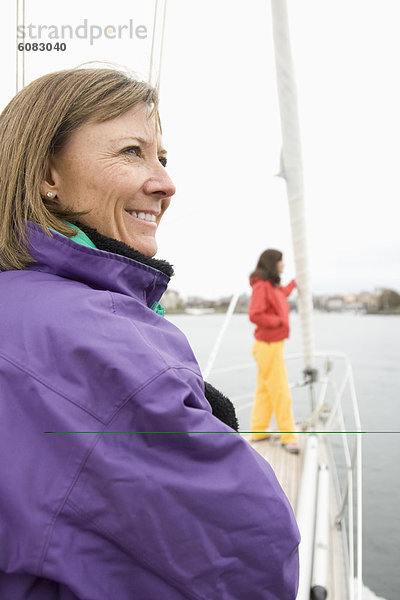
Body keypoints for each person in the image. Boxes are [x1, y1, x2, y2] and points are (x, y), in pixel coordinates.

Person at [0, 67, 299, 599]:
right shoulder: (95, 344)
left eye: (163, 157)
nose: (165, 182)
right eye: (132, 152)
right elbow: (252, 559)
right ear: (47, 173)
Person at [249, 249, 299, 454]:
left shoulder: (271, 286)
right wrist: (278, 321)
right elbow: (255, 315)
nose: (284, 264)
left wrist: (295, 283)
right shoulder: (262, 287)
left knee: (265, 391)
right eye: (281, 261)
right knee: (280, 392)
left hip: (271, 346)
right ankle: (288, 436)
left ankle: (259, 429)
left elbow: (281, 295)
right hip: (268, 347)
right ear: (272, 263)